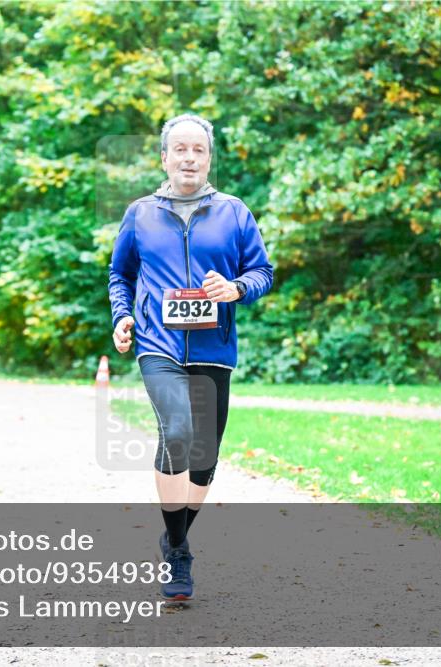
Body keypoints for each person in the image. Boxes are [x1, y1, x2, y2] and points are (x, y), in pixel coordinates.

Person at [108, 114, 273, 601]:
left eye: (198, 150)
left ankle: (173, 535)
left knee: (204, 458)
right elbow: (121, 275)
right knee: (176, 431)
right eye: (179, 149)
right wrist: (122, 318)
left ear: (208, 158)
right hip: (157, 345)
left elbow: (262, 271)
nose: (189, 157)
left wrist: (236, 288)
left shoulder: (235, 213)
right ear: (164, 157)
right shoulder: (140, 214)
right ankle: (179, 554)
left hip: (213, 349)